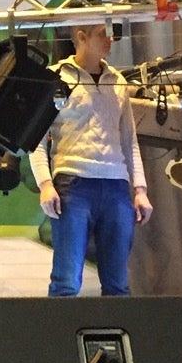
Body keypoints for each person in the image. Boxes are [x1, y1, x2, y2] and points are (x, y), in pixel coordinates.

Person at [31, 21, 151, 296]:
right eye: (101, 34)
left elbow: (129, 139)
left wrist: (140, 189)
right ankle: (60, 326)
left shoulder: (117, 81)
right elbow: (35, 138)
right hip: (73, 184)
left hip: (116, 186)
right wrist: (45, 184)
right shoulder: (55, 77)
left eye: (111, 34)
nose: (109, 39)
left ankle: (117, 327)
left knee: (118, 283)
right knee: (67, 281)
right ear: (81, 37)